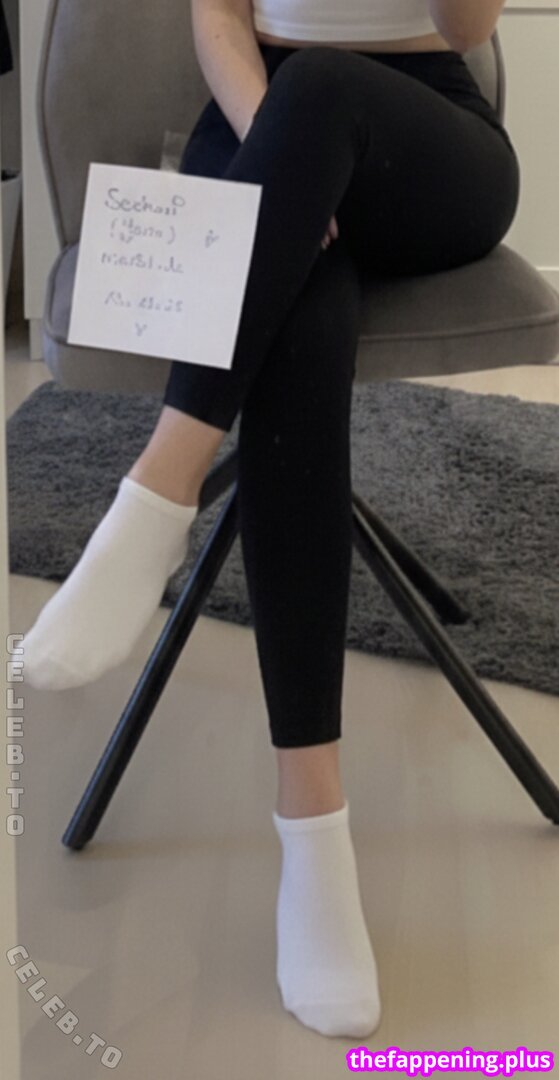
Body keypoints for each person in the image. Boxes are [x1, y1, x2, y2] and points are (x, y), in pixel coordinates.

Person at [20, 0, 517, 1039]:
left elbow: (468, 28)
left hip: (426, 137)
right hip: (257, 116)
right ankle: (314, 834)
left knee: (324, 90)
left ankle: (157, 496)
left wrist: (304, 154)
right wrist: (284, 166)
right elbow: (218, 17)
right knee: (299, 314)